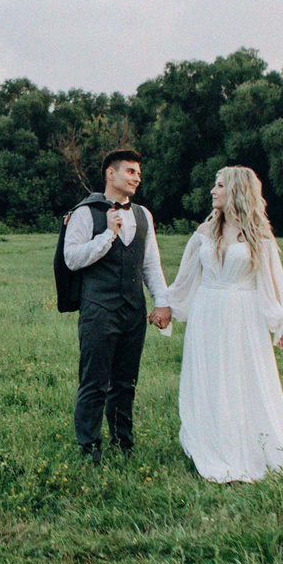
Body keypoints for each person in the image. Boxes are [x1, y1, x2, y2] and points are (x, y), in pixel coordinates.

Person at [165, 165, 283, 484]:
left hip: (244, 315)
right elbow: (186, 276)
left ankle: (247, 443)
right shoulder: (205, 230)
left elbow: (271, 281)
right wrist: (166, 306)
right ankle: (212, 440)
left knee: (242, 378)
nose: (212, 191)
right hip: (207, 312)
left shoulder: (259, 234)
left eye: (219, 186)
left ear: (237, 191)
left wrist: (280, 321)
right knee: (211, 377)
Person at [58, 149, 172, 462]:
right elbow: (72, 259)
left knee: (125, 382)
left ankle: (123, 444)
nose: (137, 178)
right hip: (98, 309)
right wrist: (108, 234)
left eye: (138, 173)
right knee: (94, 381)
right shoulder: (85, 213)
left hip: (133, 310)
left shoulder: (144, 215)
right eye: (131, 172)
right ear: (112, 173)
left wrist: (162, 302)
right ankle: (89, 446)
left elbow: (151, 265)